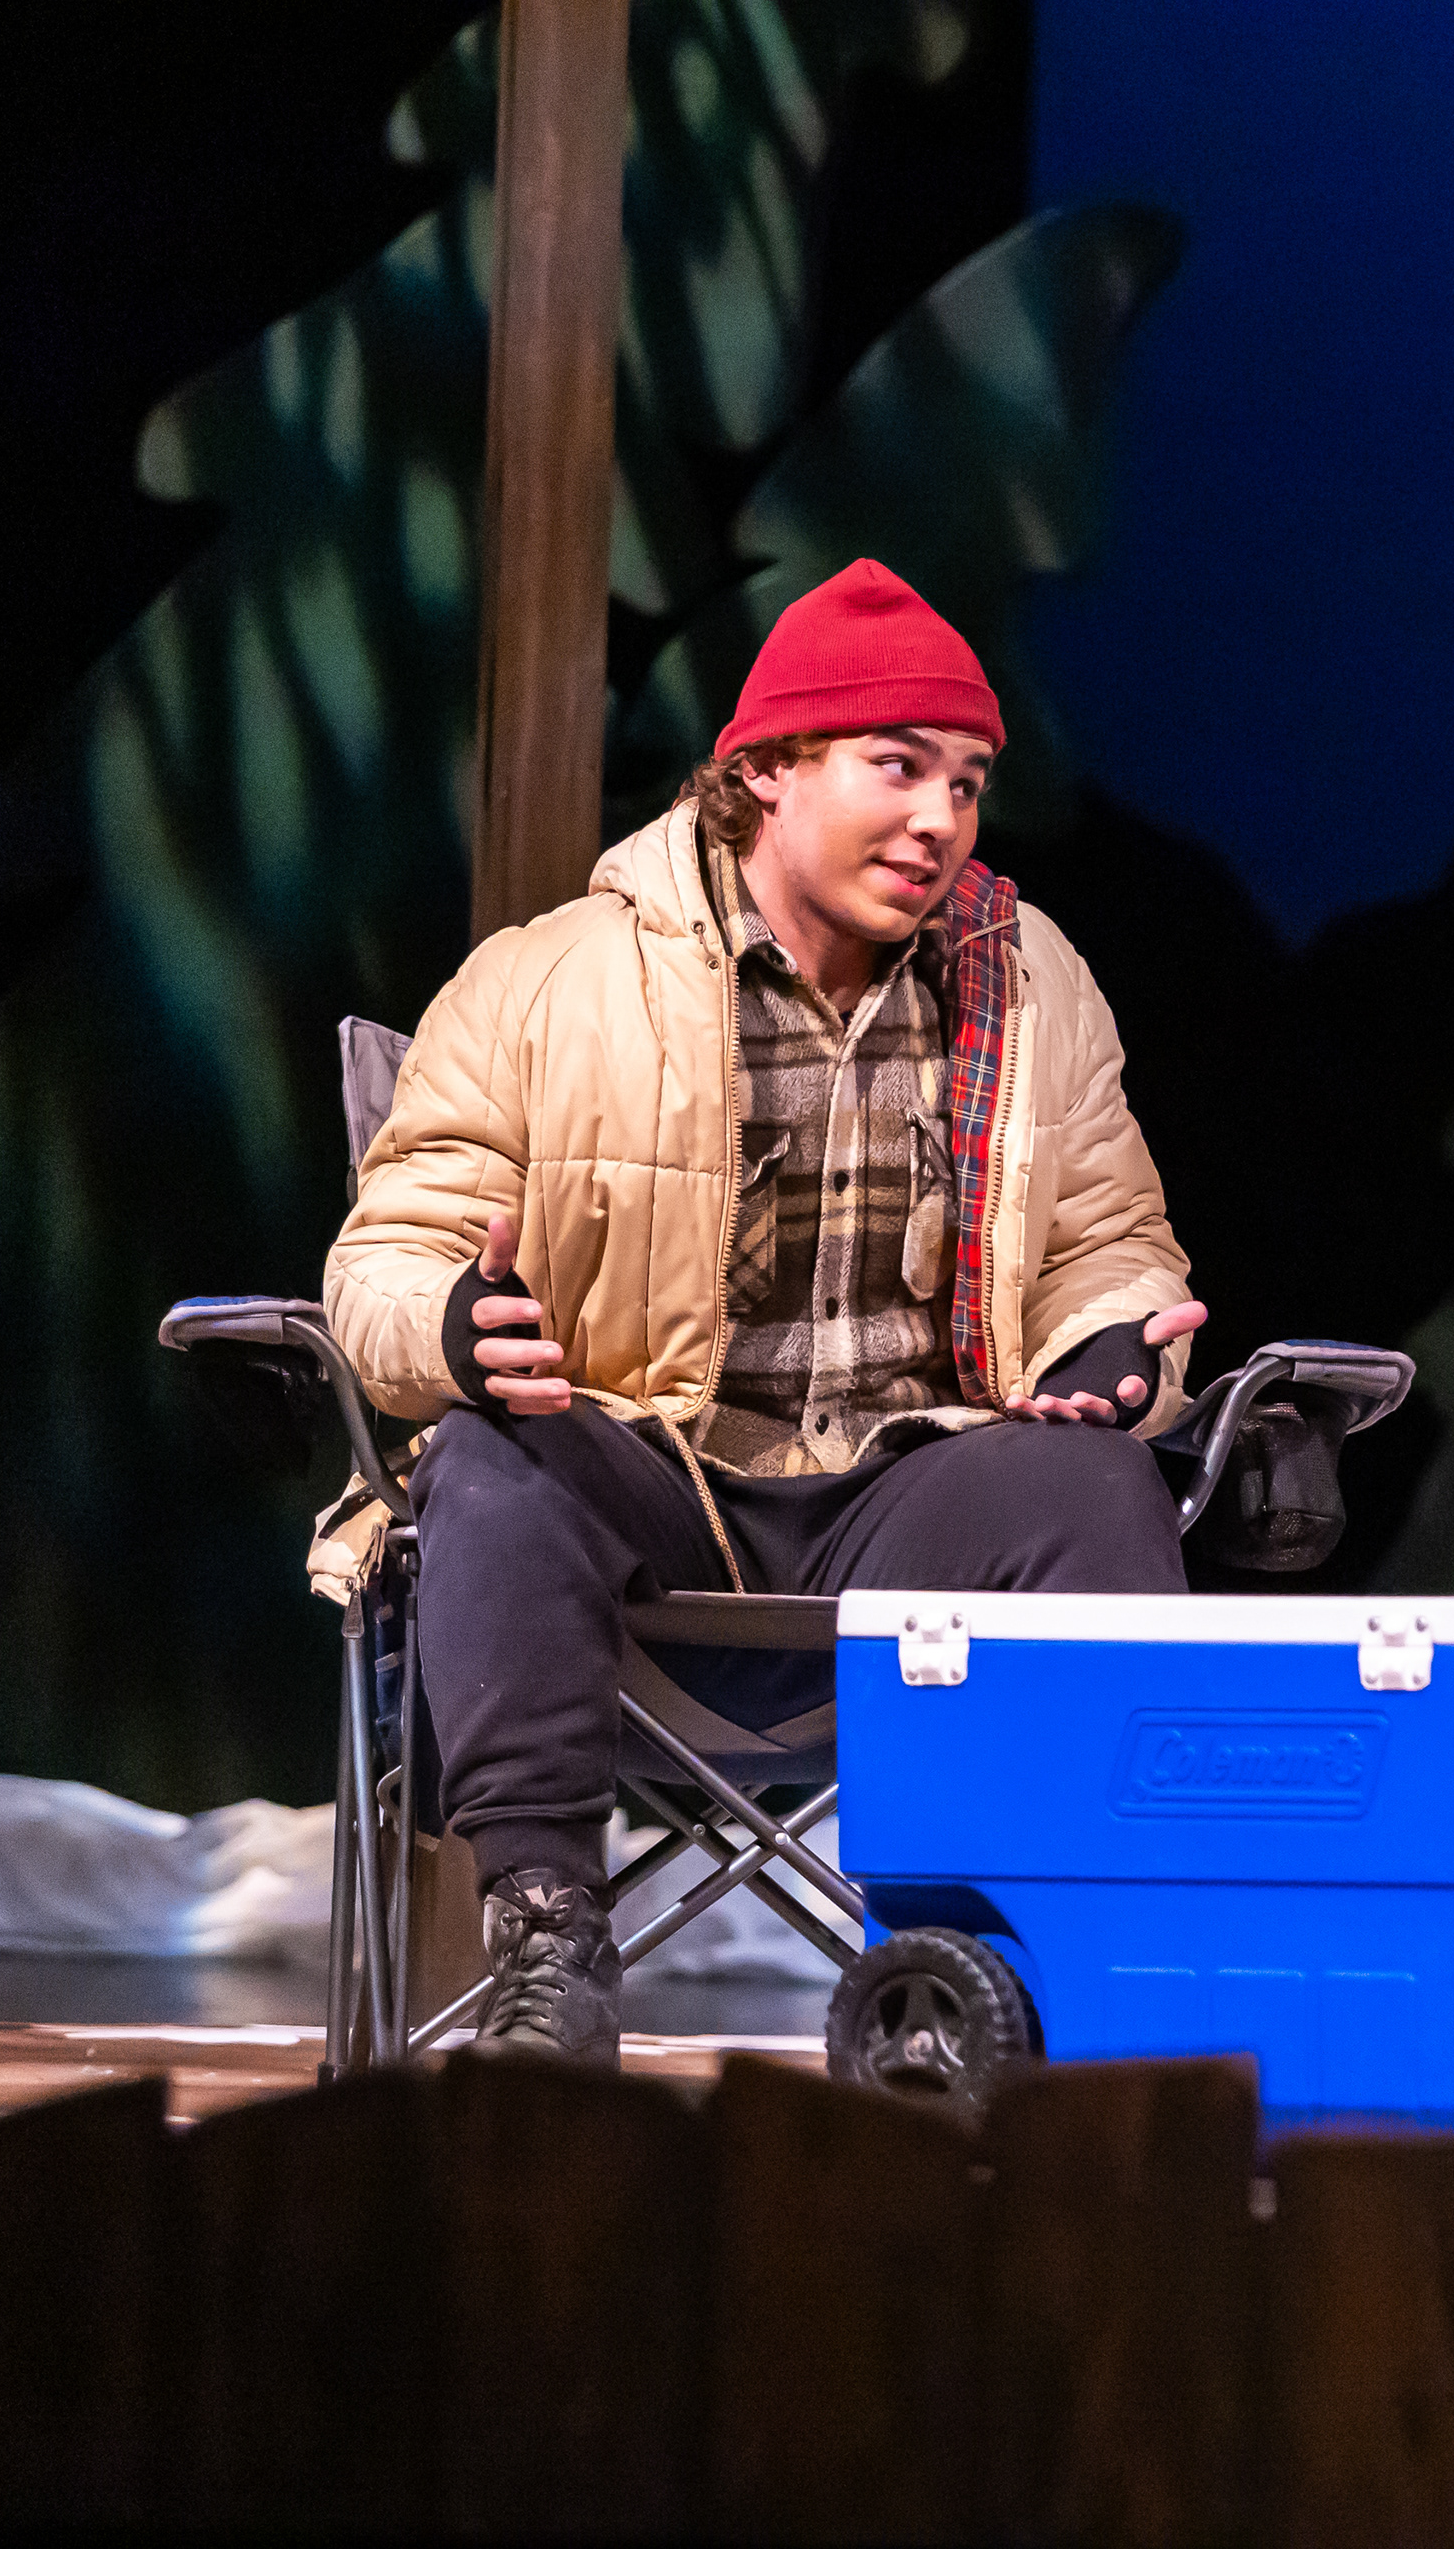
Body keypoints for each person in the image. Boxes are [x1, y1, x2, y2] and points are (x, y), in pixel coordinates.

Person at [327, 560, 1205, 2065]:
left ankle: (1034, 1967)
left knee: (1096, 1488)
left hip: (903, 1496)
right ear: (765, 773)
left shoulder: (1028, 985)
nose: (940, 820)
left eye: (968, 783)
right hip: (647, 1478)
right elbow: (383, 1260)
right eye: (898, 768)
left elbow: (1113, 1248)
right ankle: (547, 1943)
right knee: (492, 1458)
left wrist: (1111, 1348)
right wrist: (457, 1327)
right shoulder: (546, 982)